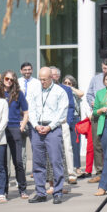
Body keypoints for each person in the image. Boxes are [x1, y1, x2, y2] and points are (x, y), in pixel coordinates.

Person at [26, 67, 69, 203]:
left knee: (56, 160)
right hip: (37, 127)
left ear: (52, 78)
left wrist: (50, 126)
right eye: (40, 79)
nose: (42, 82)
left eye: (44, 79)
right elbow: (30, 109)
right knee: (38, 162)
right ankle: (40, 192)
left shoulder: (59, 92)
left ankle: (57, 192)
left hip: (52, 128)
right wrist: (35, 125)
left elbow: (62, 112)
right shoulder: (34, 90)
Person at [1, 70, 29, 197]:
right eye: (7, 79)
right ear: (3, 79)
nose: (9, 81)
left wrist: (22, 126)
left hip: (14, 128)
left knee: (18, 161)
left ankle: (22, 189)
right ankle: (4, 191)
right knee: (3, 163)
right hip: (1, 130)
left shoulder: (18, 94)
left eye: (11, 80)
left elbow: (26, 112)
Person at [51, 66, 78, 186]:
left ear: (58, 76)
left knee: (67, 148)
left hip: (63, 123)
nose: (53, 77)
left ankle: (71, 173)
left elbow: (71, 106)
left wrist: (68, 120)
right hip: (49, 124)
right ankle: (52, 175)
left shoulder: (65, 89)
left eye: (55, 75)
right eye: (51, 74)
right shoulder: (44, 89)